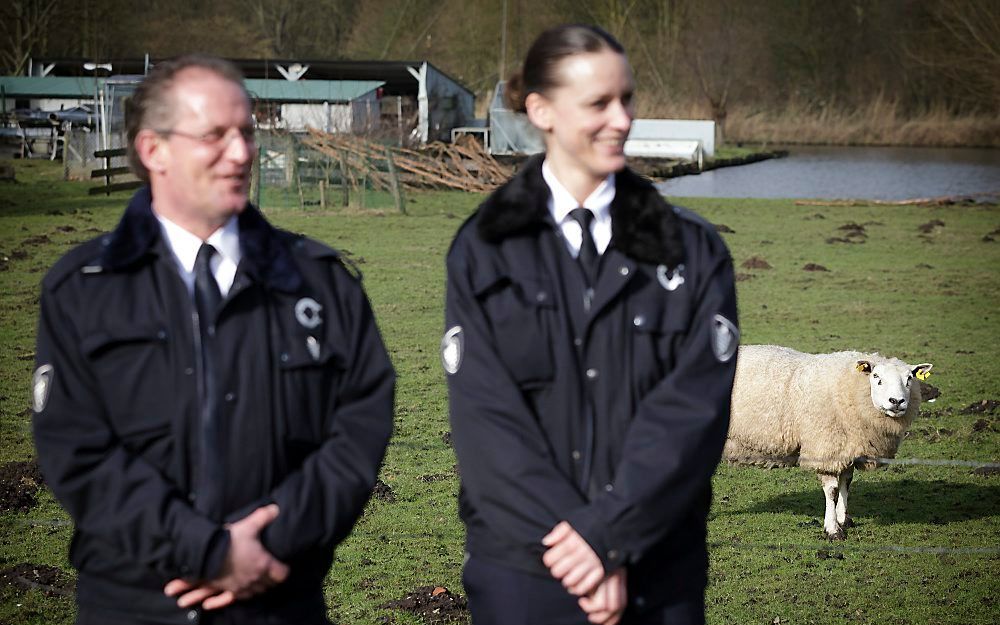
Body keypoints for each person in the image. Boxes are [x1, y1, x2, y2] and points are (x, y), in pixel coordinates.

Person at [31, 55, 395, 624]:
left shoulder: (321, 285)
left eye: (247, 132)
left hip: (279, 600)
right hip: (133, 605)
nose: (242, 153)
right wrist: (207, 551)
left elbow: (359, 428)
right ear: (154, 151)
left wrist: (271, 542)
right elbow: (78, 452)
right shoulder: (83, 292)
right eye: (215, 135)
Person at [443, 24, 739, 625]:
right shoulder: (484, 247)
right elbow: (487, 422)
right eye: (599, 103)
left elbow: (692, 414)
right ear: (541, 110)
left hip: (657, 573)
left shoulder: (691, 251)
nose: (622, 119)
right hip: (524, 575)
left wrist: (611, 534)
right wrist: (576, 548)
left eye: (627, 99)